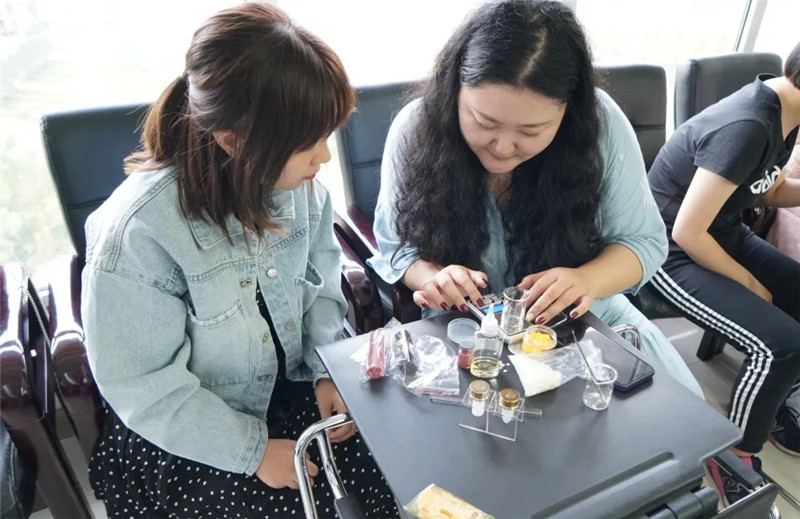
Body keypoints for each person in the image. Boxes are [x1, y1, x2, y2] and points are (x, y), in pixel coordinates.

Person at [81, 4, 397, 517]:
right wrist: (252, 453)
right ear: (233, 140)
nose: (324, 157)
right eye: (308, 142)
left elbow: (322, 291)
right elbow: (144, 387)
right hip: (190, 424)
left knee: (386, 467)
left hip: (289, 385)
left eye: (328, 134)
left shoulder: (302, 189)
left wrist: (327, 373)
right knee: (305, 505)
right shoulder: (138, 233)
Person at [369, 0, 703, 398]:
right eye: (484, 122)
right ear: (455, 88)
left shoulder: (601, 125)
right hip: (465, 332)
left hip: (583, 321)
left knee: (679, 414)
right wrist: (434, 278)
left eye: (531, 131)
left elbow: (643, 242)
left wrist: (587, 279)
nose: (503, 147)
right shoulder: (414, 129)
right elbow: (396, 248)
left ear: (567, 111)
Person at [647, 42, 800, 504]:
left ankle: (770, 407)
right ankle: (735, 455)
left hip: (723, 232)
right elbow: (687, 231)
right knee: (781, 345)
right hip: (667, 250)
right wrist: (750, 284)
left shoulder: (786, 113)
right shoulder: (748, 126)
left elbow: (767, 190)